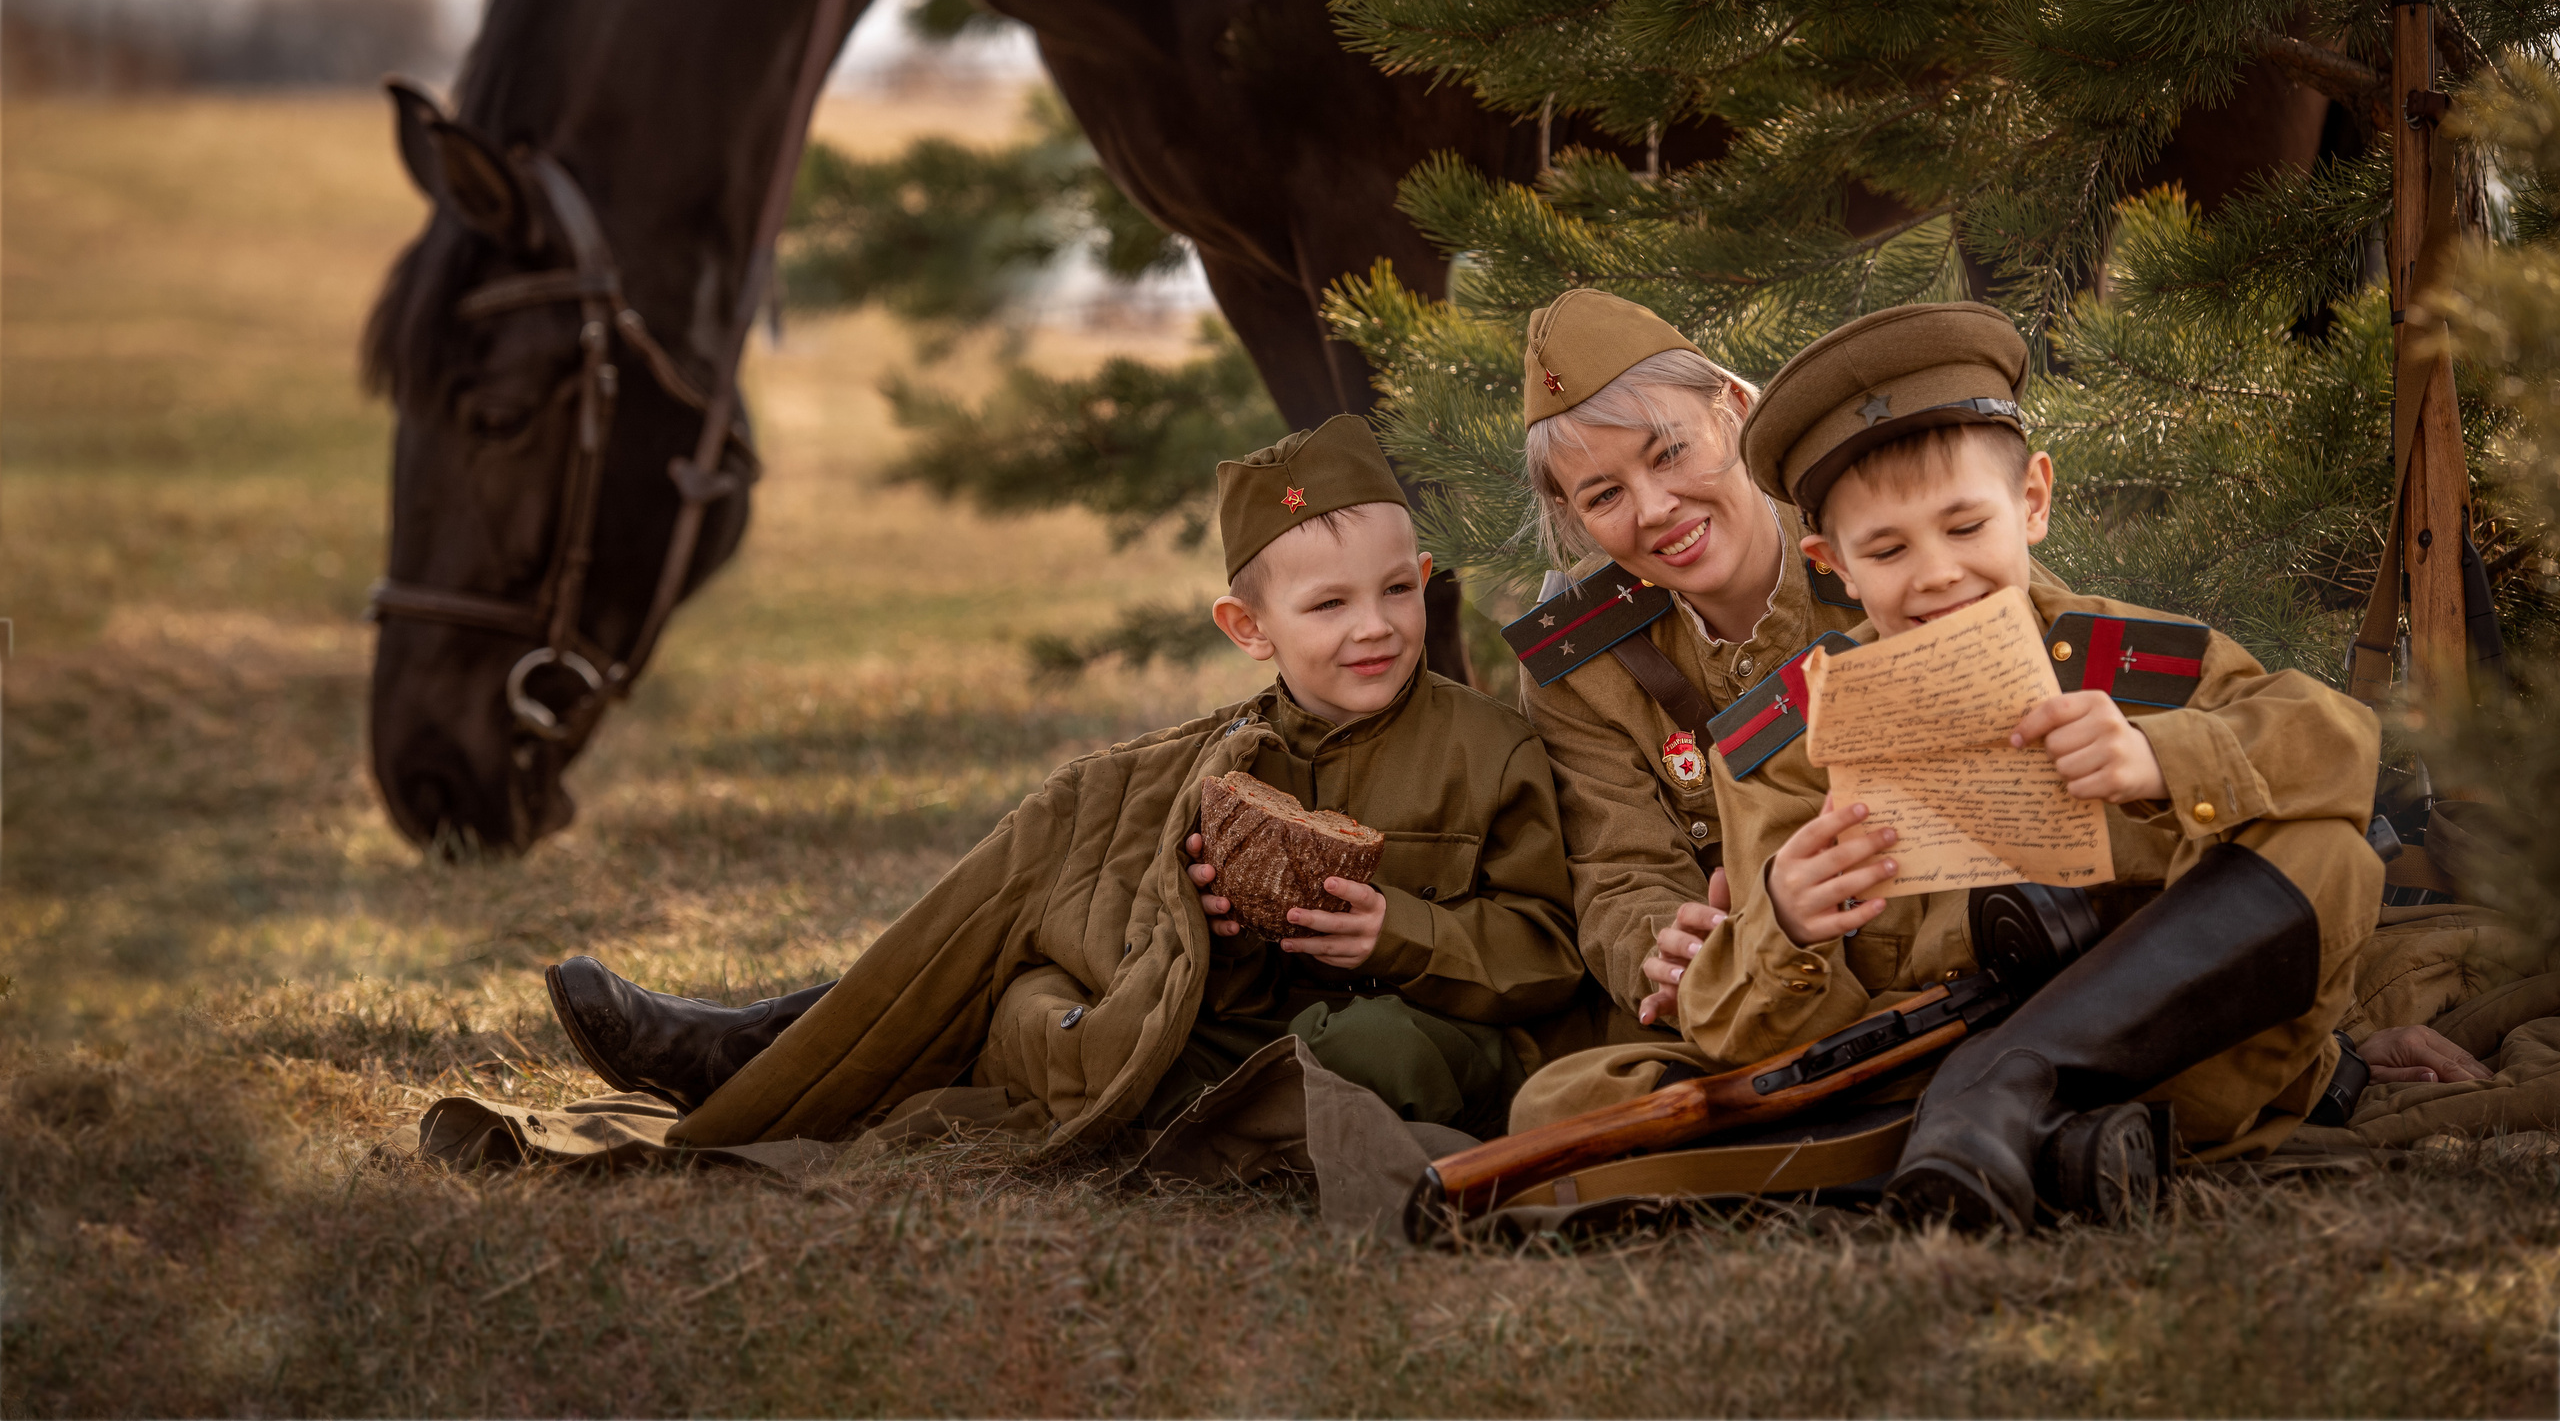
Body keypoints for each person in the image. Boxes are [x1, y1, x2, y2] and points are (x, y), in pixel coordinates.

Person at [1507, 301, 2388, 1232]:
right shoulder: (1777, 737)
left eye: (1669, 453)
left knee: (2328, 855)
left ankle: (1980, 1117)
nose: (1932, 575)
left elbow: (2327, 751)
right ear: (1841, 561)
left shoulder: (2089, 656)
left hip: (2130, 1030)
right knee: (1564, 1102)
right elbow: (1652, 909)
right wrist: (1782, 925)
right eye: (1603, 495)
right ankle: (2031, 1139)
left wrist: (2157, 758)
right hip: (1898, 1045)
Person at [544, 414, 1585, 1145]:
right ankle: (768, 1044)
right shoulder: (1231, 757)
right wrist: (1215, 927)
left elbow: (1549, 952)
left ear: (1424, 581)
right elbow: (1187, 962)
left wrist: (1399, 932)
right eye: (1329, 606)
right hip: (1252, 1031)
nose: (1375, 628)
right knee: (1043, 997)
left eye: (1396, 591)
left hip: (1420, 1035)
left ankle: (791, 1054)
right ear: (1248, 629)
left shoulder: (1488, 749)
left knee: (1375, 1053)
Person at [1509, 289, 1859, 1026]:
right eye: (1604, 496)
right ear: (1573, 516)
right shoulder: (1581, 664)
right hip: (1761, 999)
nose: (1654, 509)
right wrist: (1668, 955)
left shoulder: (1872, 527)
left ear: (1734, 409)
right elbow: (1618, 873)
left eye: (1669, 452)